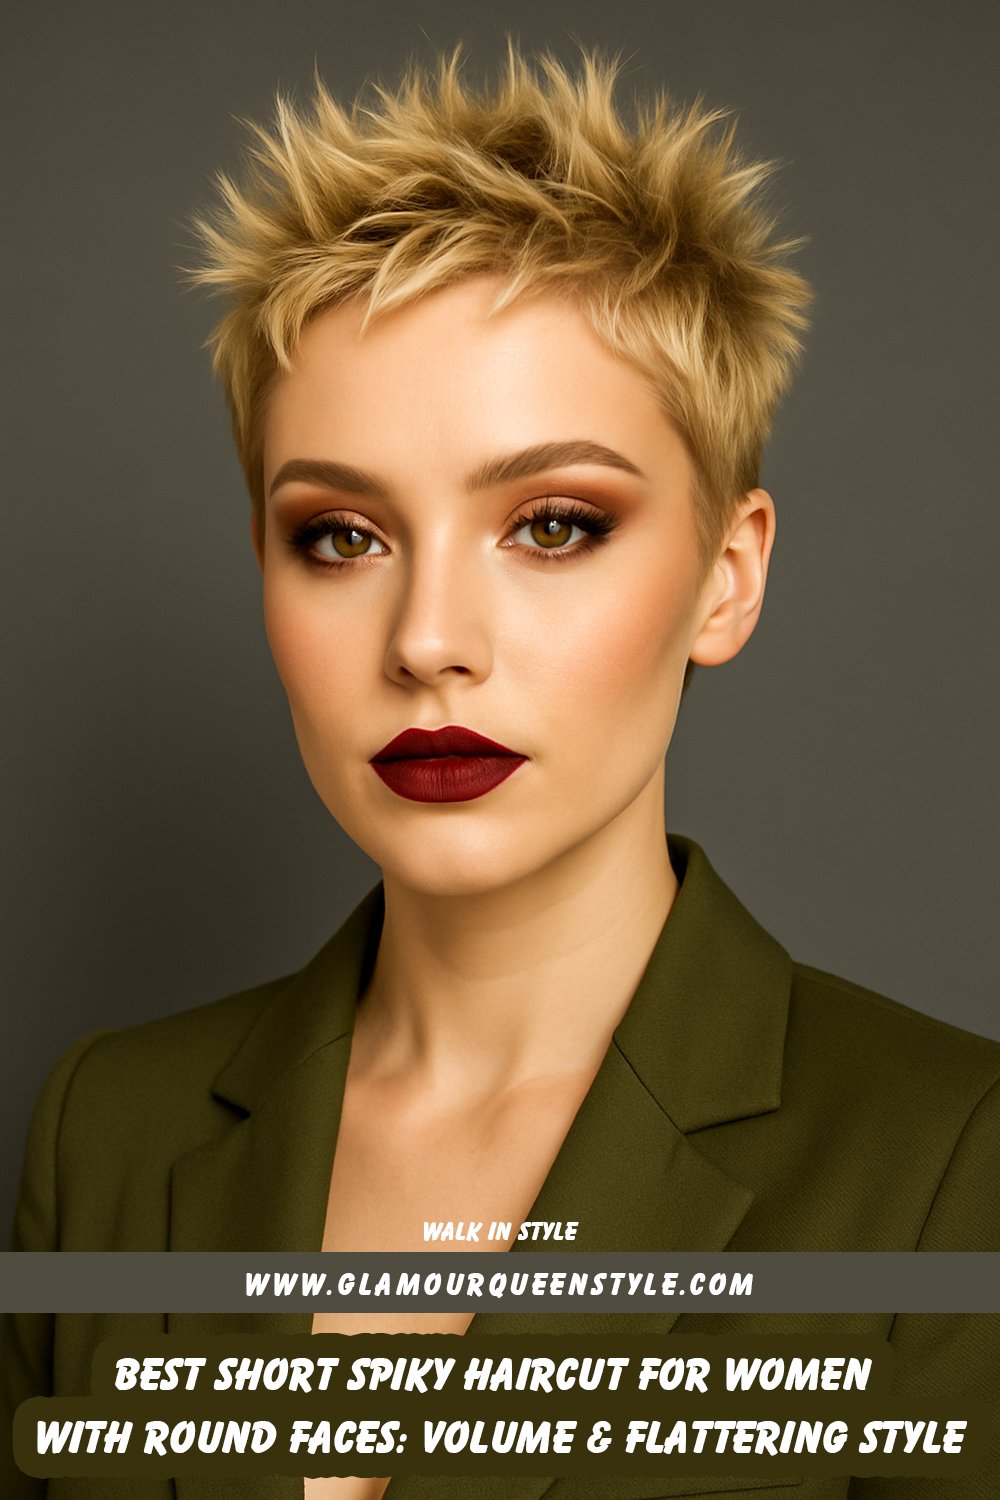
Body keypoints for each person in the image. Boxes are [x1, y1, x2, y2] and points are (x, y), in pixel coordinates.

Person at [3, 48, 998, 1500]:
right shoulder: (108, 1132)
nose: (428, 643)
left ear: (727, 577)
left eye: (552, 524)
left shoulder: (947, 1167)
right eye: (341, 535)